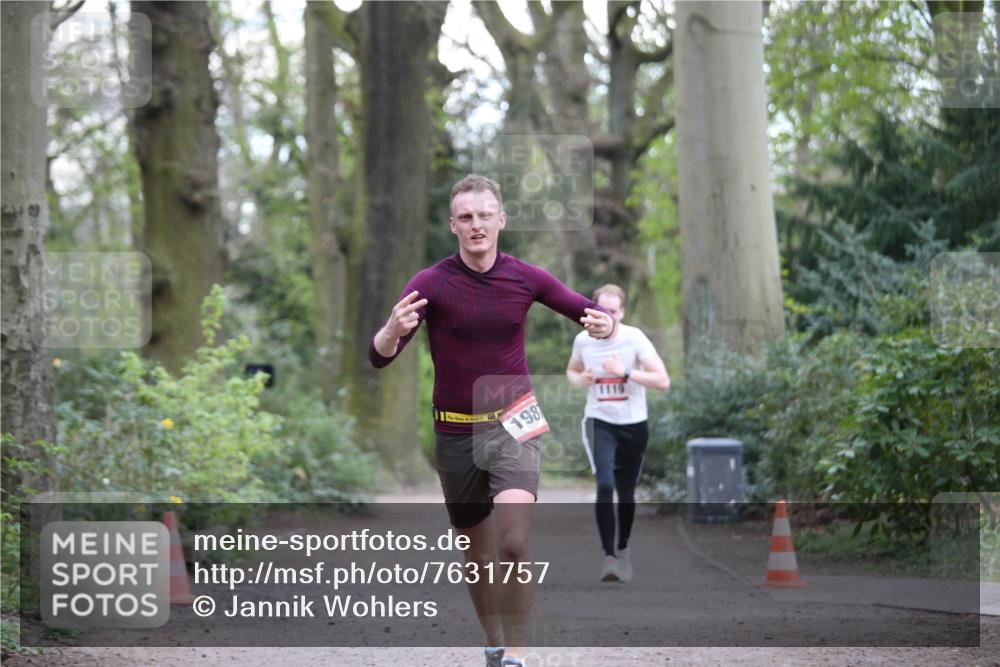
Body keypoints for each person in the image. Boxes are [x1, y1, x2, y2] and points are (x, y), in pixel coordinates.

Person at [369, 174, 617, 667]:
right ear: (453, 226)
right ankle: (493, 643)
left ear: (501, 220)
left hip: (515, 420)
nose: (476, 224)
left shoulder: (526, 277)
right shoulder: (430, 283)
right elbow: (379, 357)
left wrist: (607, 324)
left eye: (485, 215)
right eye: (466, 217)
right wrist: (390, 331)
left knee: (514, 540)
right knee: (478, 554)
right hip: (455, 428)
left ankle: (518, 656)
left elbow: (590, 313)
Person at [565, 284, 670, 582]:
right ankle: (609, 557)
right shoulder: (583, 340)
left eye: (612, 310)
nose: (606, 315)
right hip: (599, 421)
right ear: (592, 311)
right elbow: (571, 372)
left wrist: (624, 372)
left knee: (625, 492)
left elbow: (662, 381)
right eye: (601, 309)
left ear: (621, 312)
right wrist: (580, 379)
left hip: (634, 424)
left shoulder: (634, 338)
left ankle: (623, 549)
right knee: (605, 484)